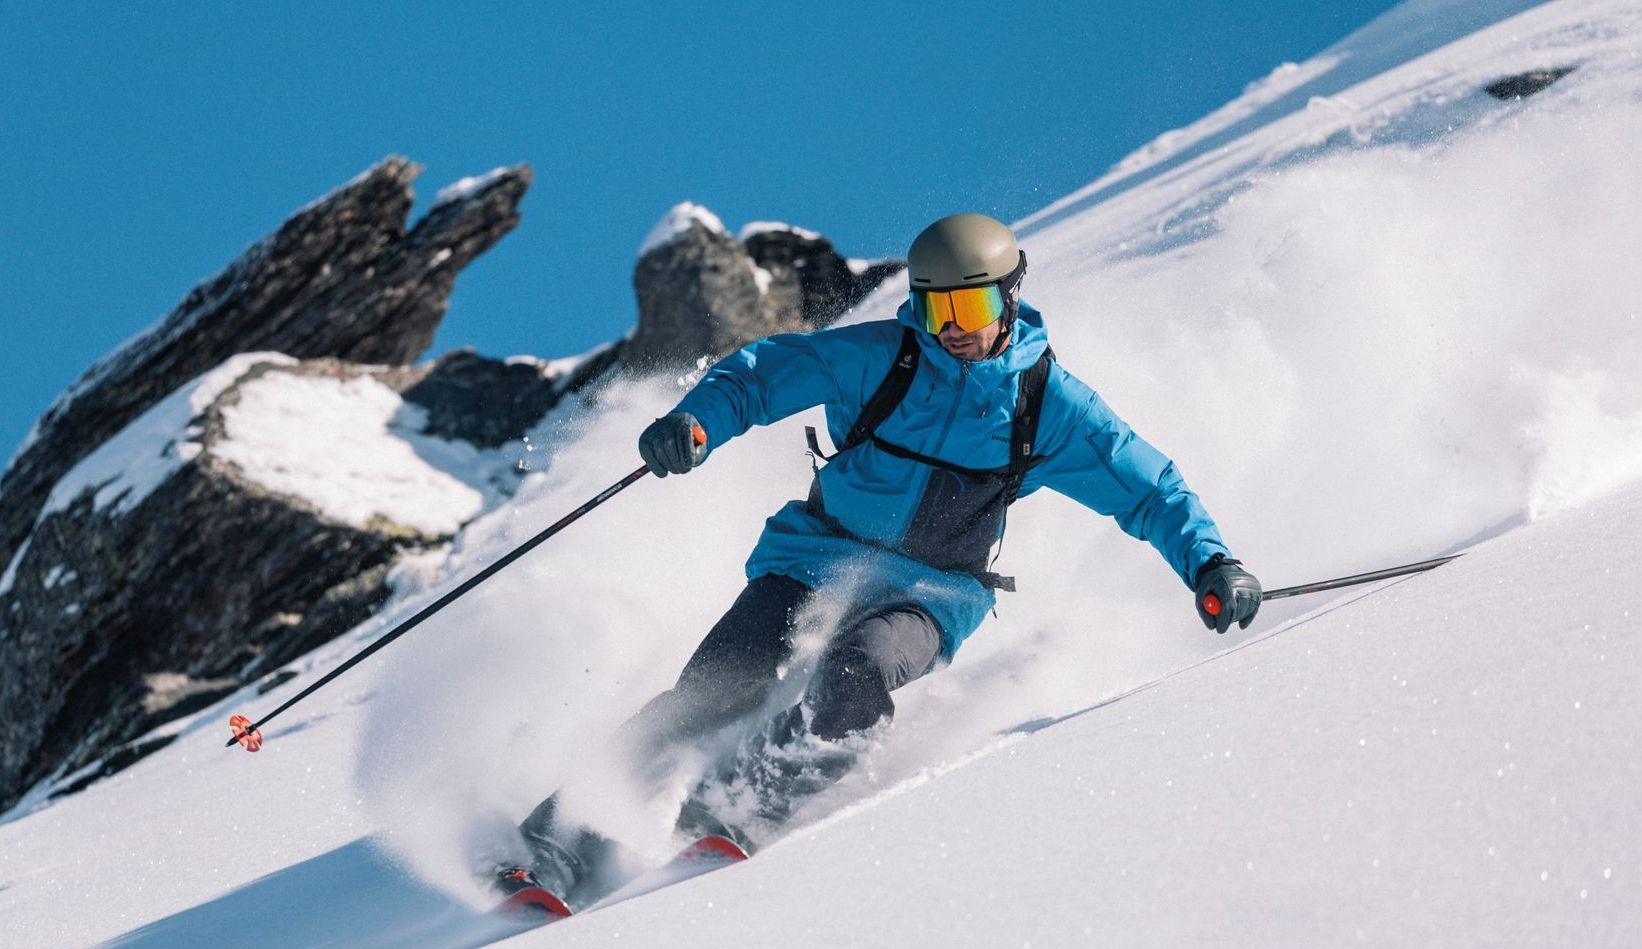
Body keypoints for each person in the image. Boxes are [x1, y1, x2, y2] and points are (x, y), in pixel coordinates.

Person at [495, 213, 1261, 906]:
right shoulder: (882, 360)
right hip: (812, 559)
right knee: (713, 686)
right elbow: (760, 374)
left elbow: (1148, 486)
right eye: (936, 309)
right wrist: (694, 424)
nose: (953, 329)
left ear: (1010, 297)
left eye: (972, 308)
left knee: (857, 673)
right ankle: (557, 841)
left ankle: (737, 808)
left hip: (930, 595)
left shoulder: (1046, 405)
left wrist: (1210, 563)